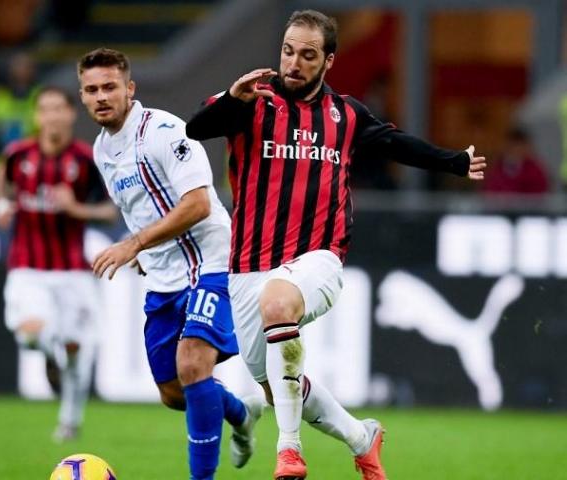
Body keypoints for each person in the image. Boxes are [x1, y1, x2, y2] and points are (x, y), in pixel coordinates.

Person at [186, 9, 487, 480]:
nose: (294, 63)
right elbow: (195, 128)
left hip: (318, 259)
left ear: (328, 60)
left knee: (279, 302)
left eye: (308, 55)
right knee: (278, 387)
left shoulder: (344, 114)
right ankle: (362, 438)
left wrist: (453, 163)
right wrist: (231, 98)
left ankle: (288, 451)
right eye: (288, 51)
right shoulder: (251, 103)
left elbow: (395, 143)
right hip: (246, 268)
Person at [77, 48, 264, 480]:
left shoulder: (164, 131)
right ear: (83, 96)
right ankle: (240, 413)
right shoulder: (102, 150)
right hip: (163, 277)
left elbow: (198, 204)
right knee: (173, 392)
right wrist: (145, 253)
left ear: (130, 89)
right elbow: (139, 207)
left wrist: (133, 244)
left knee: (193, 362)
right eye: (91, 89)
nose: (101, 96)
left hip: (212, 262)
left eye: (109, 87)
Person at [0, 86, 118, 442]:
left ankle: (70, 421)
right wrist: (1, 205)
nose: (51, 116)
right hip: (27, 268)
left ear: (70, 114)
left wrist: (77, 209)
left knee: (79, 349)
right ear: (36, 117)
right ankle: (50, 355)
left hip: (73, 271)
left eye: (58, 109)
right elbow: (1, 180)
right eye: (44, 109)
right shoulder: (18, 156)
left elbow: (111, 210)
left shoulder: (85, 159)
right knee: (31, 335)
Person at [0, 52, 41, 157]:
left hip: (34, 161)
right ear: (10, 70)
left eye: (27, 67)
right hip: (4, 161)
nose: (22, 72)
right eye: (18, 67)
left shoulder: (41, 96)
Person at [482, 127, 549, 195]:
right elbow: (488, 193)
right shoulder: (495, 169)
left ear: (526, 147)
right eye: (512, 147)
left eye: (519, 147)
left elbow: (540, 194)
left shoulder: (535, 171)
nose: (516, 151)